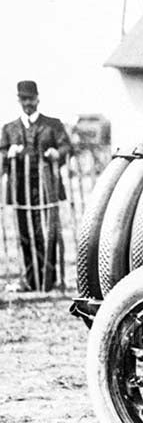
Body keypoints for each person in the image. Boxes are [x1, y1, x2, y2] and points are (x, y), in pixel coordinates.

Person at [1, 81, 71, 291]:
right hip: (20, 189)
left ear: (38, 99)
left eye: (31, 99)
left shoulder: (53, 125)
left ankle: (49, 281)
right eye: (24, 99)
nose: (28, 103)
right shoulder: (9, 129)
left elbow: (66, 146)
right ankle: (30, 280)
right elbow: (1, 156)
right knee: (24, 234)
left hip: (46, 187)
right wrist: (8, 154)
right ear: (19, 100)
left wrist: (57, 153)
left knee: (47, 234)